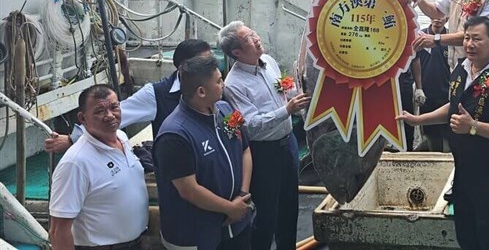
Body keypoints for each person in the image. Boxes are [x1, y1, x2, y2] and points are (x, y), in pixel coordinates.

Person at [398, 16, 489, 250]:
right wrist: (419, 119)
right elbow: (453, 106)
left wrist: (473, 127)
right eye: (466, 38)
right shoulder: (461, 68)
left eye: (477, 39)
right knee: (466, 234)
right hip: (463, 169)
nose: (469, 44)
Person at [219, 21, 311, 250]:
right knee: (267, 213)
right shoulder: (234, 84)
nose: (256, 38)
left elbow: (283, 87)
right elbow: (250, 125)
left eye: (253, 33)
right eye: (249, 39)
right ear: (236, 53)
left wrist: (295, 93)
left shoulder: (269, 62)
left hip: (287, 143)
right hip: (264, 152)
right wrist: (287, 110)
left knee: (290, 206)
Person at [154, 55, 254, 250]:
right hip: (198, 235)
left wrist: (242, 195)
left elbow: (245, 150)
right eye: (218, 81)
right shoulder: (175, 135)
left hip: (237, 223)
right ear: (201, 91)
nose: (223, 84)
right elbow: (188, 190)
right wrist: (229, 208)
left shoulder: (225, 110)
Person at [45, 39, 213, 153]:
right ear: (184, 67)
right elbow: (118, 115)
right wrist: (72, 139)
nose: (212, 67)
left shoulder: (218, 87)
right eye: (205, 63)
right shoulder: (157, 94)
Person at [49, 84, 148, 250]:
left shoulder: (122, 138)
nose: (109, 116)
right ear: (82, 118)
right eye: (99, 111)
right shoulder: (75, 163)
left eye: (114, 107)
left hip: (137, 242)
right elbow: (58, 230)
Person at [412, 17, 450, 152]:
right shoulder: (420, 36)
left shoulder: (450, 38)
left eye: (441, 16)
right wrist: (419, 88)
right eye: (434, 16)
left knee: (447, 131)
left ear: (448, 18)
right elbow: (414, 61)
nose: (438, 20)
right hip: (426, 92)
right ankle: (433, 153)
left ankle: (446, 156)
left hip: (446, 93)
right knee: (429, 131)